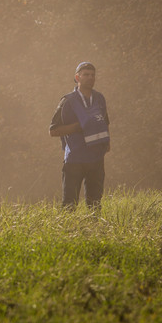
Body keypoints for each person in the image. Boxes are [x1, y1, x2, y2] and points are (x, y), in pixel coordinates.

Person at [49, 62, 110, 211]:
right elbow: (53, 131)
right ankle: (66, 233)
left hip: (96, 159)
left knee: (95, 204)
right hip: (75, 159)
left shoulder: (99, 98)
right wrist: (77, 127)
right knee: (69, 205)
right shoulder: (67, 101)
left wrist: (107, 145)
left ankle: (94, 231)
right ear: (77, 77)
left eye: (93, 75)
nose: (90, 78)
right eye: (86, 75)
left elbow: (105, 122)